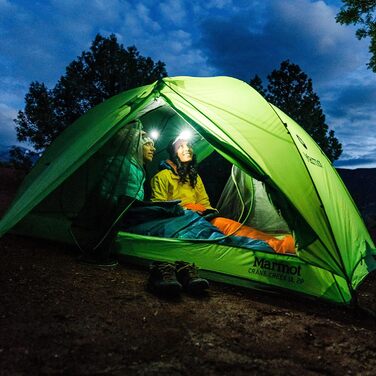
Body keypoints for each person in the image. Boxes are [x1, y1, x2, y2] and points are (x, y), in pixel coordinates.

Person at [150, 136, 295, 255]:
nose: (187, 149)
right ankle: (279, 247)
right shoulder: (162, 176)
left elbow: (204, 202)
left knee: (232, 227)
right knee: (229, 237)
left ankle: (282, 244)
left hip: (202, 218)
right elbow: (159, 208)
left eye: (189, 145)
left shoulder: (194, 177)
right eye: (181, 146)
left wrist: (205, 210)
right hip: (182, 223)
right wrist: (187, 209)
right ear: (173, 153)